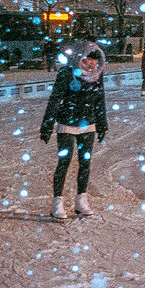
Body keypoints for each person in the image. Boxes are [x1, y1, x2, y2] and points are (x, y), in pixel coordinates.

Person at [40, 43, 108, 219]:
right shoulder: (66, 73)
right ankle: (57, 201)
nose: (91, 63)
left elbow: (99, 100)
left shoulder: (97, 75)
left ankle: (81, 200)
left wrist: (102, 123)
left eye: (94, 59)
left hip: (88, 124)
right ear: (80, 57)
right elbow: (55, 99)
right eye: (87, 58)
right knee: (64, 162)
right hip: (67, 123)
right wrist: (47, 124)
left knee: (85, 164)